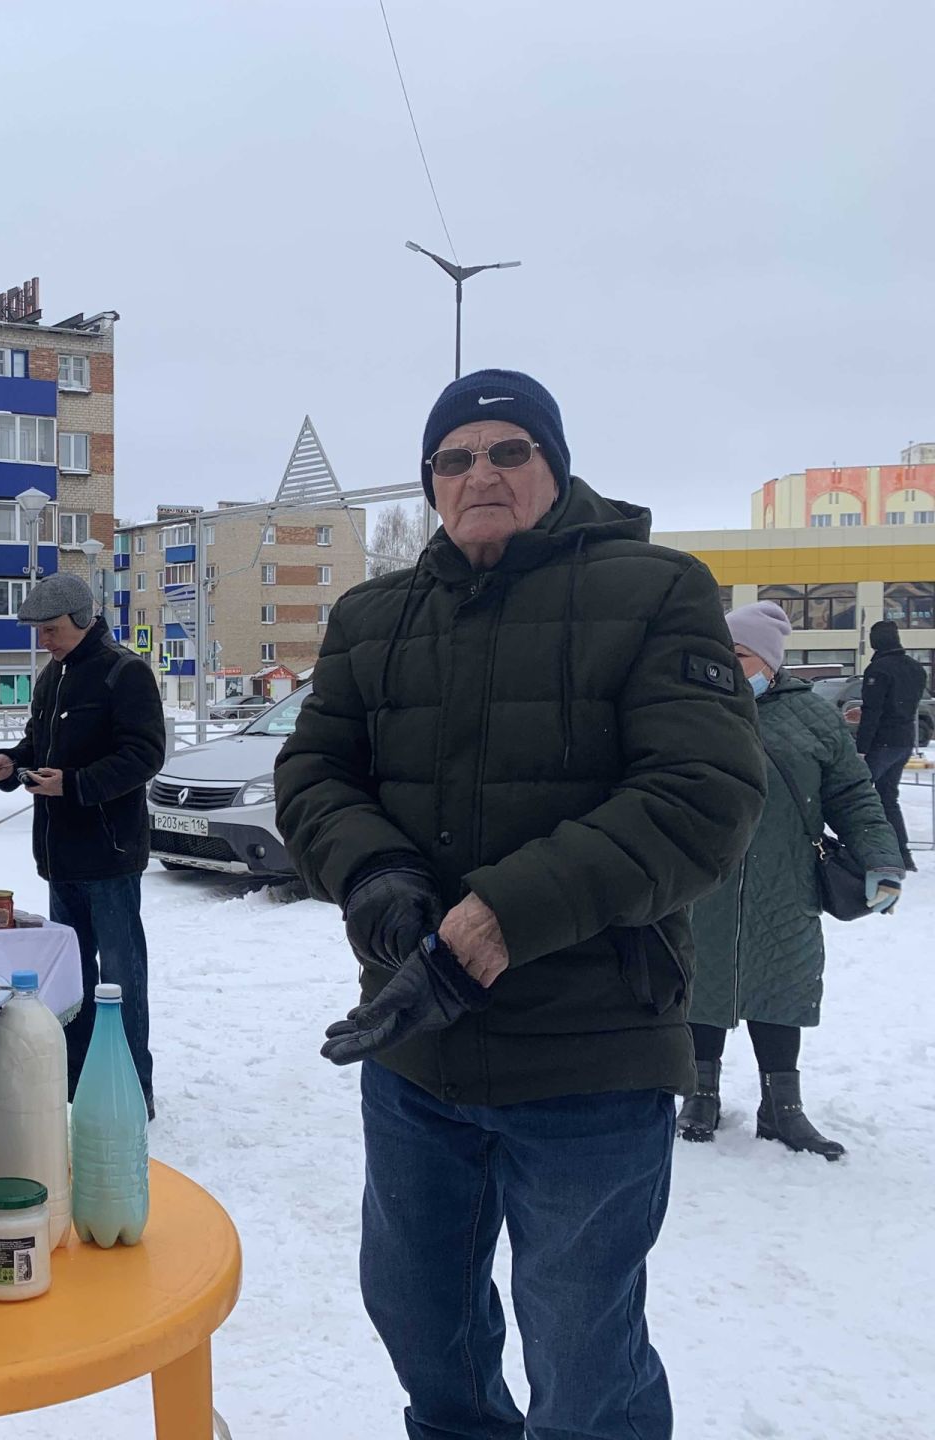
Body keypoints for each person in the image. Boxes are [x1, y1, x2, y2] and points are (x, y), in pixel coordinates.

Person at [275, 369, 765, 1440]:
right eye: (454, 458)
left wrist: (496, 921)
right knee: (420, 1321)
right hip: (416, 1051)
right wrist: (378, 883)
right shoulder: (372, 617)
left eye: (508, 450)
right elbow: (312, 776)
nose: (480, 473)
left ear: (554, 464)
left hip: (587, 1054)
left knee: (584, 1356)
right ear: (431, 485)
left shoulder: (656, 588)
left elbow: (701, 799)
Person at [681, 602, 904, 1158]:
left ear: (770, 662)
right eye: (721, 653)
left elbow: (852, 793)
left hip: (786, 882)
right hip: (703, 878)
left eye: (738, 654)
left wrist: (881, 858)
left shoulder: (812, 718)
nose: (727, 665)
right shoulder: (688, 707)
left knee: (781, 985)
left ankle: (782, 1108)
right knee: (701, 982)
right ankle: (698, 1094)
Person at [0, 572, 165, 1115]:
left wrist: (76, 785)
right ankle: (79, 1081)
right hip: (60, 856)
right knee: (73, 983)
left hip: (109, 855)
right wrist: (11, 764)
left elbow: (145, 755)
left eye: (52, 629)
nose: (44, 640)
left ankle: (132, 1091)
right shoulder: (52, 674)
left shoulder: (124, 672)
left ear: (84, 620)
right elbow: (39, 743)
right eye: (39, 631)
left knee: (121, 979)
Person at [855, 618, 927, 873]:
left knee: (854, 795)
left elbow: (872, 711)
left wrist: (860, 749)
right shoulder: (916, 669)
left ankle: (859, 851)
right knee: (888, 797)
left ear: (877, 641)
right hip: (904, 741)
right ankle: (902, 853)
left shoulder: (879, 670)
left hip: (880, 744)